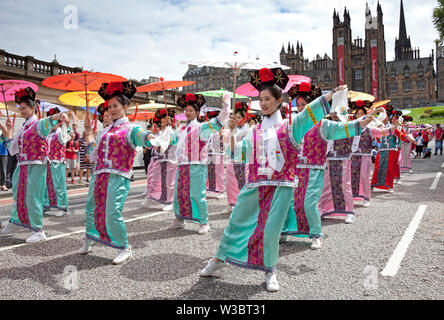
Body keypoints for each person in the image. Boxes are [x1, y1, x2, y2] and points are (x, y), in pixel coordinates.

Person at [200, 67, 341, 292]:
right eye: (260, 99)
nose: (263, 103)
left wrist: (330, 95)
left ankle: (270, 270)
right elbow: (238, 156)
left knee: (271, 230)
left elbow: (308, 115)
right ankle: (218, 260)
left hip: (281, 187)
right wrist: (233, 134)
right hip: (254, 186)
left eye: (267, 99)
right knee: (236, 222)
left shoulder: (290, 127)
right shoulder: (254, 131)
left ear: (278, 101)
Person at [80, 81, 163, 264]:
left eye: (115, 106)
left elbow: (142, 134)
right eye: (109, 107)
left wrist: (153, 139)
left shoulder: (130, 128)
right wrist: (87, 134)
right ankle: (90, 237)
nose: (111, 109)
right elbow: (92, 155)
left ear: (124, 106)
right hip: (99, 175)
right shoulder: (104, 132)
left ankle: (124, 246)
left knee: (112, 212)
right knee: (91, 209)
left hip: (118, 176)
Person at [280, 88, 374, 248]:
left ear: (313, 107)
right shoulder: (293, 123)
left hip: (314, 170)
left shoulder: (323, 125)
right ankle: (286, 231)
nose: (301, 108)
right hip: (295, 171)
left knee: (309, 203)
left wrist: (361, 122)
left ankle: (316, 234)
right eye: (299, 105)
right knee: (290, 203)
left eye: (305, 105)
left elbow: (342, 129)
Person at [1, 87, 68, 243]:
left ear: (33, 108)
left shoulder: (39, 124)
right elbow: (12, 147)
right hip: (23, 165)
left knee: (33, 196)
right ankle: (16, 221)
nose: (22, 111)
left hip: (36, 165)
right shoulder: (24, 127)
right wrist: (8, 130)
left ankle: (38, 230)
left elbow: (52, 120)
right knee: (18, 194)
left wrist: (59, 115)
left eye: (25, 108)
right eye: (21, 108)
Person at [168, 92, 230, 235]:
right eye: (186, 110)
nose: (188, 113)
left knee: (197, 194)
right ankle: (179, 219)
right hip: (182, 166)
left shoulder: (202, 127)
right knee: (179, 194)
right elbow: (171, 141)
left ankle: (204, 222)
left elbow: (220, 120)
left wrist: (226, 105)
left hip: (196, 165)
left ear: (197, 112)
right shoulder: (181, 129)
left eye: (191, 110)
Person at [350, 103, 393, 208]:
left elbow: (381, 132)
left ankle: (366, 197)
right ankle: (353, 196)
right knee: (352, 177)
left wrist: (393, 128)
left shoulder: (370, 128)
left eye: (361, 114)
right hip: (353, 156)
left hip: (365, 156)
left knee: (364, 176)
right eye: (358, 114)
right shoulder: (352, 126)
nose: (359, 116)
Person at [141, 108, 177, 211]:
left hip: (171, 159)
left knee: (169, 182)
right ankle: (151, 196)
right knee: (155, 179)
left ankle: (169, 201)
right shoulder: (161, 132)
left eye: (167, 119)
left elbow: (169, 143)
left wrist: (160, 145)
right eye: (162, 120)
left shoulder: (172, 132)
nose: (164, 122)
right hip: (160, 159)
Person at [43, 107, 71, 216]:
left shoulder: (61, 131)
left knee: (59, 184)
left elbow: (64, 138)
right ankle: (46, 204)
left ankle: (62, 207)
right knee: (46, 185)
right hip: (48, 162)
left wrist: (66, 123)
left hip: (58, 161)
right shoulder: (48, 133)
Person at [224, 102, 250, 213]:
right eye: (236, 117)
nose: (237, 120)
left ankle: (242, 206)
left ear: (245, 118)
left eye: (239, 117)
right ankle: (231, 203)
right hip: (232, 158)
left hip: (243, 159)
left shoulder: (248, 129)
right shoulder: (232, 128)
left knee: (242, 183)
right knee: (230, 183)